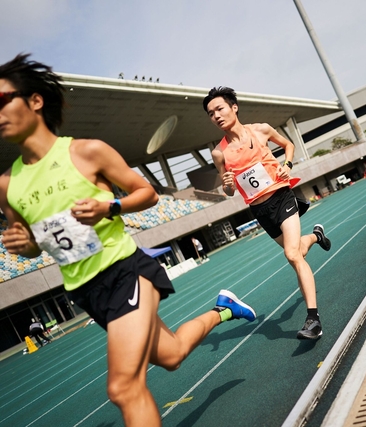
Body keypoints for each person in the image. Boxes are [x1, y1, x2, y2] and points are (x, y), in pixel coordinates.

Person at [0, 54, 256, 427]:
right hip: (85, 290)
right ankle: (224, 309)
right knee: (172, 355)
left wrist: (110, 206)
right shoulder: (8, 185)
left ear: (35, 101)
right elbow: (34, 245)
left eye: (4, 99)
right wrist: (23, 245)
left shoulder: (86, 152)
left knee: (123, 387)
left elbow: (147, 193)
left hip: (124, 271)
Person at [203, 86, 331, 340]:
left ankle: (313, 320)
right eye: (210, 113)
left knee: (292, 255)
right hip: (260, 210)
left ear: (233, 107)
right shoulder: (219, 153)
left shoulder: (260, 129)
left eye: (219, 108)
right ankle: (316, 235)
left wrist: (287, 165)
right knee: (298, 251)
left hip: (282, 195)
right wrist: (227, 185)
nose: (216, 115)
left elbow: (288, 145)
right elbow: (229, 190)